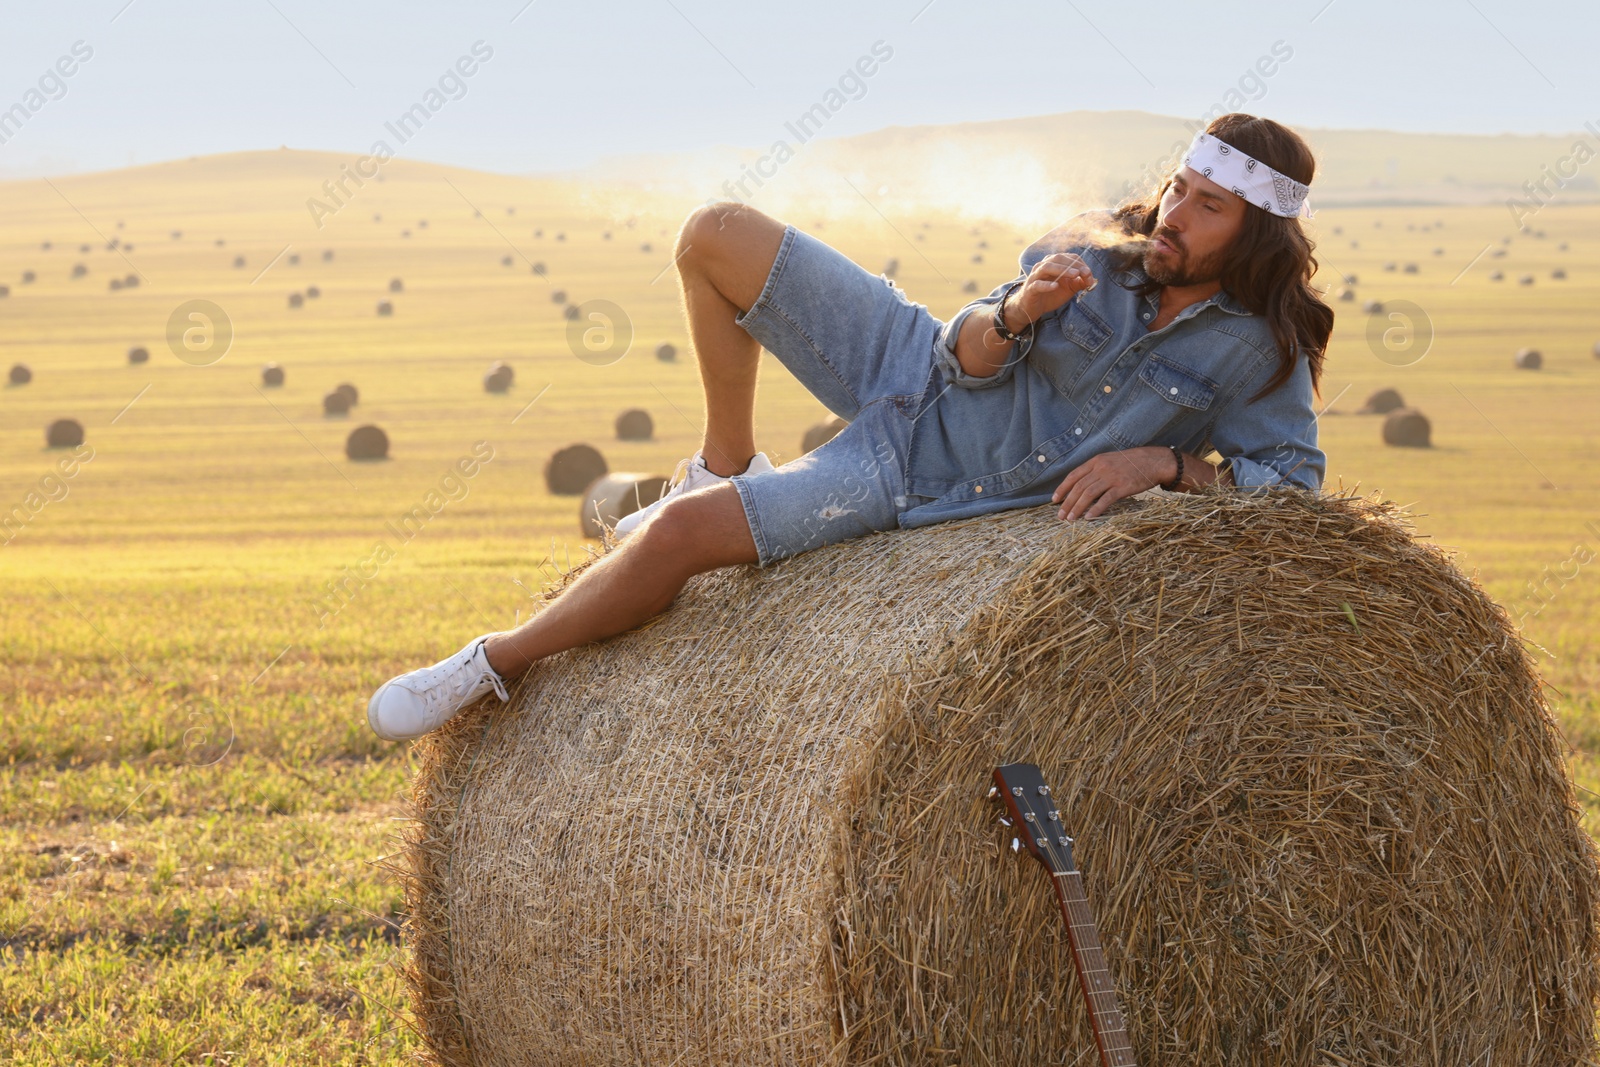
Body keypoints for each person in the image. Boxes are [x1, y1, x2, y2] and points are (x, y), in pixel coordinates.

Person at [366, 111, 1332, 741]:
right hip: (913, 360)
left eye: (1208, 209)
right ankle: (723, 456)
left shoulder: (1255, 353)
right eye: (1177, 190)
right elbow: (967, 354)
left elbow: (1293, 489)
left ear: (1256, 233)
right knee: (715, 234)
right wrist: (1014, 315)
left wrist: (1165, 462)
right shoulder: (1095, 247)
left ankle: (491, 663)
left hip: (916, 466)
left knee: (677, 537)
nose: (1175, 215)